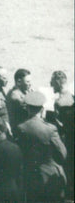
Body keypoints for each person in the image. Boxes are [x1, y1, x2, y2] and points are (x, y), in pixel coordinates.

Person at [15, 91, 67, 202]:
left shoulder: (20, 128)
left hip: (30, 175)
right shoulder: (50, 128)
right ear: (42, 109)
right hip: (50, 174)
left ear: (27, 108)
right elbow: (62, 153)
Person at [50, 70, 74, 199]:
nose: (51, 84)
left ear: (58, 83)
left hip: (66, 140)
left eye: (52, 82)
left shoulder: (60, 102)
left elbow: (60, 126)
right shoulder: (71, 97)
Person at [7, 68, 33, 133]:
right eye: (28, 82)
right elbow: (32, 110)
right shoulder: (15, 96)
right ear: (19, 82)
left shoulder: (23, 90)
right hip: (19, 129)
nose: (30, 84)